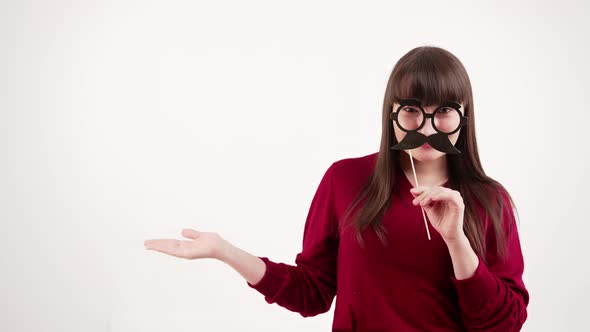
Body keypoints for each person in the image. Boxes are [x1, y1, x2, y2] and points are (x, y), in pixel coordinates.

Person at [144, 46, 529, 331]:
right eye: (412, 110)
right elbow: (310, 292)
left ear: (463, 116)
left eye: (443, 111)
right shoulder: (345, 180)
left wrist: (457, 241)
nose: (426, 128)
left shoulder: (488, 201)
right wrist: (225, 251)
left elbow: (504, 324)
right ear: (391, 113)